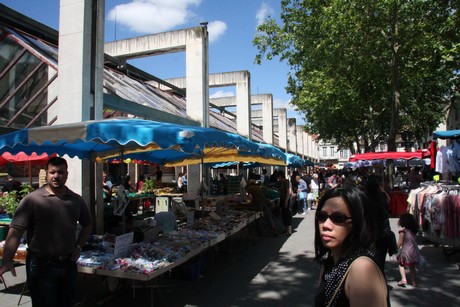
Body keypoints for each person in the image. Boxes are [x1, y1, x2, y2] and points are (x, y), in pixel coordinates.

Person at [0, 157, 93, 307]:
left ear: (67, 174)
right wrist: (7, 261)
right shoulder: (32, 200)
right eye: (52, 172)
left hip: (68, 264)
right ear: (47, 174)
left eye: (60, 172)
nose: (56, 176)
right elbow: (16, 231)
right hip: (41, 266)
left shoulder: (76, 200)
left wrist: (79, 246)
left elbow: (87, 224)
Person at [314, 187, 388, 307]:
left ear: (358, 222)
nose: (326, 225)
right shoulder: (329, 264)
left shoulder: (362, 269)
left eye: (338, 218)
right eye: (322, 216)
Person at [363, 174, 392, 273]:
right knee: (380, 262)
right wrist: (381, 189)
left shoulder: (364, 198)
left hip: (368, 233)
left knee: (368, 260)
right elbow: (389, 200)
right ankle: (380, 282)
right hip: (382, 233)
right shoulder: (382, 196)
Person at [396, 213, 422, 287]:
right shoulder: (414, 232)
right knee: (412, 267)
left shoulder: (403, 232)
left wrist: (395, 248)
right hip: (413, 251)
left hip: (405, 252)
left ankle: (404, 279)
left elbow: (400, 243)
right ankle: (413, 282)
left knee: (401, 264)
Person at [278, 170, 293, 235]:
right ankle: (286, 229)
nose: (278, 179)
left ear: (280, 176)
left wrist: (286, 201)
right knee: (284, 214)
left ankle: (288, 231)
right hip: (283, 199)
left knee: (287, 214)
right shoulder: (283, 182)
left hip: (285, 200)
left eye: (278, 177)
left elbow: (288, 192)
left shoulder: (286, 181)